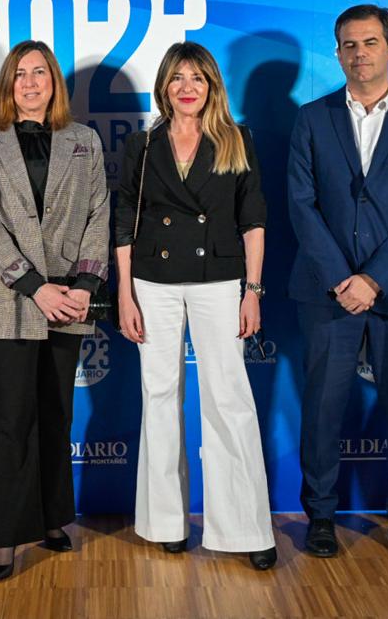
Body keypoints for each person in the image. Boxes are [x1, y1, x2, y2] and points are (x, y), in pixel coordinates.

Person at [287, 4, 388, 562]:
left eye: (371, 42)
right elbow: (301, 206)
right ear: (338, 52)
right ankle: (322, 516)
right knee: (323, 409)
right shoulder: (311, 118)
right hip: (326, 293)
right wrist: (341, 280)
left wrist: (373, 279)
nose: (360, 54)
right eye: (349, 45)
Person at [115, 41, 277, 570]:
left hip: (219, 279)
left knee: (229, 399)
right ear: (164, 86)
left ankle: (245, 528)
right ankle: (165, 522)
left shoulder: (238, 139)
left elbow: (253, 219)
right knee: (159, 395)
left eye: (198, 78)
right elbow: (124, 225)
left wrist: (252, 291)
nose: (188, 87)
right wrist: (124, 292)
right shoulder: (141, 146)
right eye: (178, 78)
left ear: (212, 86)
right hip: (153, 280)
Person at [0, 40, 109, 581]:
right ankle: (5, 538)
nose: (30, 82)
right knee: (13, 420)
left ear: (54, 82)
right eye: (20, 74)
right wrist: (35, 286)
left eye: (40, 73)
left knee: (57, 414)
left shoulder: (85, 142)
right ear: (8, 84)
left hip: (72, 297)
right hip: (13, 300)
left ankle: (52, 520)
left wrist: (85, 283)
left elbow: (99, 211)